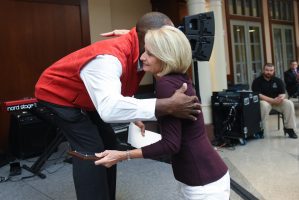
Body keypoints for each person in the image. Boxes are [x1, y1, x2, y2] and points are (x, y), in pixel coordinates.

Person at [34, 12, 201, 200]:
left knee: (109, 142)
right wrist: (166, 106)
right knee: (92, 150)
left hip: (86, 97)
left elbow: (117, 89)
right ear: (146, 39)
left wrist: (131, 113)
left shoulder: (138, 44)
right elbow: (109, 108)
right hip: (56, 94)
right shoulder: (108, 59)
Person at [95, 26, 230, 200]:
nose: (142, 57)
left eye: (149, 53)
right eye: (144, 51)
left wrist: (123, 155)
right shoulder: (180, 78)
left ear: (166, 56)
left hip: (202, 184)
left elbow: (171, 144)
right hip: (208, 174)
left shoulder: (166, 85)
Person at [252, 63, 298, 139]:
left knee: (289, 103)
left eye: (271, 70)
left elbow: (283, 93)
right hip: (265, 102)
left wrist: (281, 97)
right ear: (263, 70)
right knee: (263, 104)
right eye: (267, 70)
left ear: (274, 71)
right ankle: (261, 129)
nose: (268, 72)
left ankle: (289, 129)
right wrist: (272, 100)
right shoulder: (257, 81)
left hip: (277, 102)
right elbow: (258, 95)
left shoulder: (278, 80)